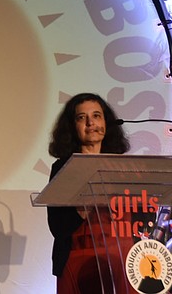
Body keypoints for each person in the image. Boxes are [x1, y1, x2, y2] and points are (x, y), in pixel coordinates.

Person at [47, 93, 133, 294]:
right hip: (78, 257)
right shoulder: (62, 168)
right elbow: (57, 227)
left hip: (121, 258)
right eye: (81, 118)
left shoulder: (125, 167)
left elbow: (141, 213)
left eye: (96, 116)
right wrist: (86, 202)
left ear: (106, 122)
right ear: (72, 127)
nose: (90, 123)